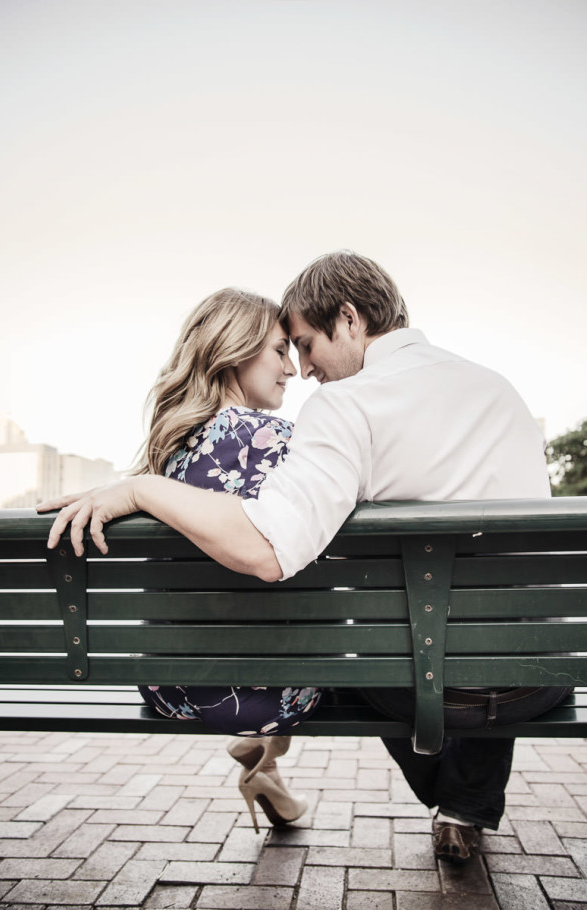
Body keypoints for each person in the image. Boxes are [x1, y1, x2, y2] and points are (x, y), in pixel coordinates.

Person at [38, 251, 571, 864]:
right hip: (538, 680)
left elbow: (268, 548)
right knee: (477, 622)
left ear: (349, 318)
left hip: (406, 686)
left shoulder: (348, 406)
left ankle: (453, 802)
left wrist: (138, 488)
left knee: (390, 654)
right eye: (287, 349)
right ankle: (466, 807)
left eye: (308, 344)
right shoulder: (497, 387)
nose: (306, 368)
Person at [106, 288, 323, 831]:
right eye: (279, 350)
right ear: (235, 351)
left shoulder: (166, 453)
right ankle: (263, 752)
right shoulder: (289, 443)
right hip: (268, 693)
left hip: (170, 686)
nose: (292, 368)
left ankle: (267, 769)